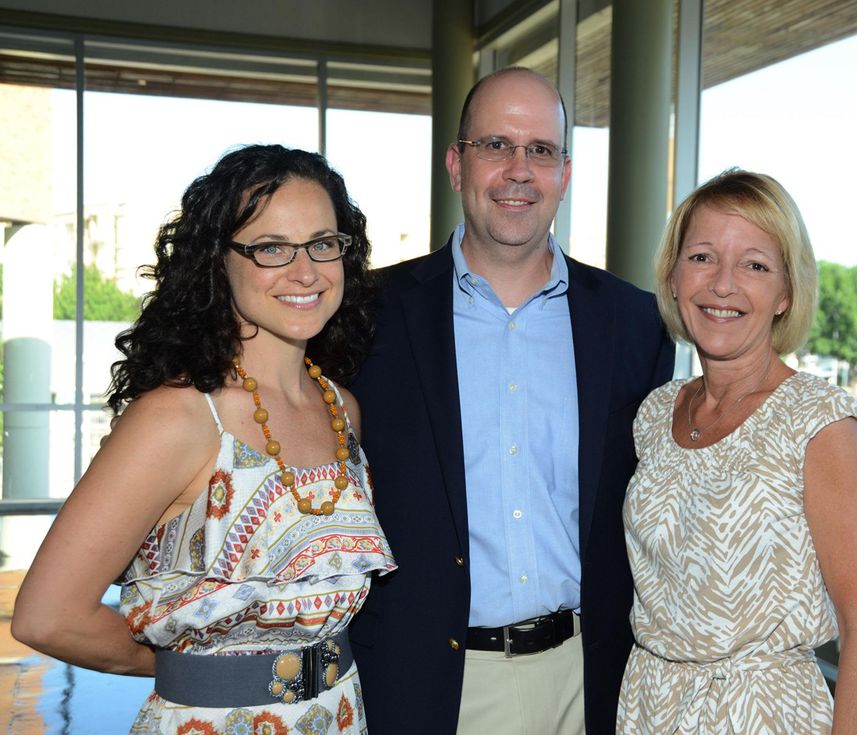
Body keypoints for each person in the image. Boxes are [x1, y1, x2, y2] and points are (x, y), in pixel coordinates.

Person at [13, 144, 395, 732]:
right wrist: (189, 667)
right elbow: (47, 617)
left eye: (323, 243)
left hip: (341, 714)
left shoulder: (341, 410)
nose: (306, 271)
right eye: (271, 248)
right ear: (219, 262)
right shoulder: (180, 418)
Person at [348, 67, 675, 734]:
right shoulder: (367, 318)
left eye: (541, 150)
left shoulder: (635, 324)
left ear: (565, 171)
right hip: (426, 685)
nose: (519, 170)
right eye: (496, 145)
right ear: (455, 164)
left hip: (588, 682)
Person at [617, 169, 857, 733]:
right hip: (648, 705)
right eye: (701, 257)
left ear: (785, 292)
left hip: (762, 714)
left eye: (755, 265)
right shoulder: (655, 413)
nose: (723, 284)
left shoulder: (816, 421)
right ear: (672, 276)